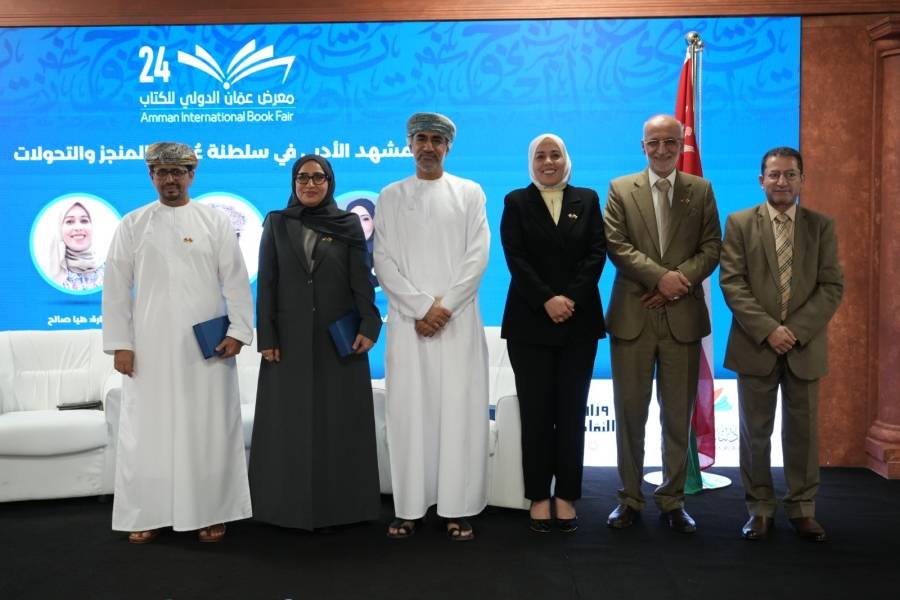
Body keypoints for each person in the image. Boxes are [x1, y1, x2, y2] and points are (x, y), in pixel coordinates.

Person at [102, 142, 253, 544]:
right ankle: (147, 512)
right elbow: (115, 287)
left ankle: (211, 511)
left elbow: (235, 279)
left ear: (192, 175)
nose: (170, 179)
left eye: (178, 171)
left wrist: (239, 331)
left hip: (207, 348)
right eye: (162, 172)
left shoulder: (214, 221)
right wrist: (120, 343)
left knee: (208, 428)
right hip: (149, 347)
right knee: (147, 429)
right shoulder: (133, 224)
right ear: (151, 175)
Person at [373, 112, 490, 541]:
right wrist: (423, 307)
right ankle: (409, 508)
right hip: (409, 325)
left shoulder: (469, 192)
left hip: (457, 325)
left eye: (436, 140)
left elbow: (477, 256)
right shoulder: (390, 195)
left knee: (458, 414)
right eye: (420, 138)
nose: (428, 146)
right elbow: (383, 260)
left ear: (448, 147)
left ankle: (457, 508)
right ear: (409, 144)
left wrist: (445, 307)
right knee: (409, 416)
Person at [249, 155, 382, 531]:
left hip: (339, 337)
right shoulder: (277, 222)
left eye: (318, 177)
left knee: (340, 422)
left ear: (329, 182)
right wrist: (266, 336)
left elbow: (361, 278)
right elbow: (267, 283)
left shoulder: (347, 223)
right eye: (303, 177)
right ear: (294, 182)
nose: (310, 184)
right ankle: (281, 508)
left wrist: (370, 324)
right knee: (287, 424)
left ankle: (344, 508)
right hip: (287, 341)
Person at [603, 114, 721, 533]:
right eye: (654, 142)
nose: (662, 149)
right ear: (643, 146)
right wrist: (660, 279)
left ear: (680, 143)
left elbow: (712, 247)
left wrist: (676, 283)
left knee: (676, 416)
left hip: (682, 319)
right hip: (633, 317)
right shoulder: (620, 189)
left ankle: (672, 500)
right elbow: (616, 244)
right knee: (630, 415)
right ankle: (629, 499)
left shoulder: (701, 190)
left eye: (670, 142)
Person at [720, 147, 843, 542]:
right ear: (761, 181)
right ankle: (759, 509)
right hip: (755, 345)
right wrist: (769, 330)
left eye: (790, 174)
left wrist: (795, 331)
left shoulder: (821, 226)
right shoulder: (739, 223)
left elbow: (831, 286)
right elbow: (732, 282)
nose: (782, 182)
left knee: (803, 434)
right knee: (755, 434)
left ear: (802, 180)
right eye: (774, 175)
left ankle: (802, 508)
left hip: (804, 348)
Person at [499, 133, 606, 533]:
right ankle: (539, 495)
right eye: (540, 156)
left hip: (578, 322)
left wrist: (569, 298)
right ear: (532, 162)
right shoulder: (516, 201)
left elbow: (597, 253)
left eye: (555, 154)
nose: (548, 162)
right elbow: (515, 258)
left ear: (566, 159)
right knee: (537, 413)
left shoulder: (588, 199)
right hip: (530, 323)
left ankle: (567, 495)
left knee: (572, 412)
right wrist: (547, 299)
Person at [47, 201, 105, 290]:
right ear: (60, 229)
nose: (78, 227)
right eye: (69, 221)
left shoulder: (109, 268)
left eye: (84, 221)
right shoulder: (50, 272)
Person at [346, 197, 378, 287]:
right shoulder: (342, 254)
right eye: (353, 219)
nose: (359, 225)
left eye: (365, 219)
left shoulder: (388, 253)